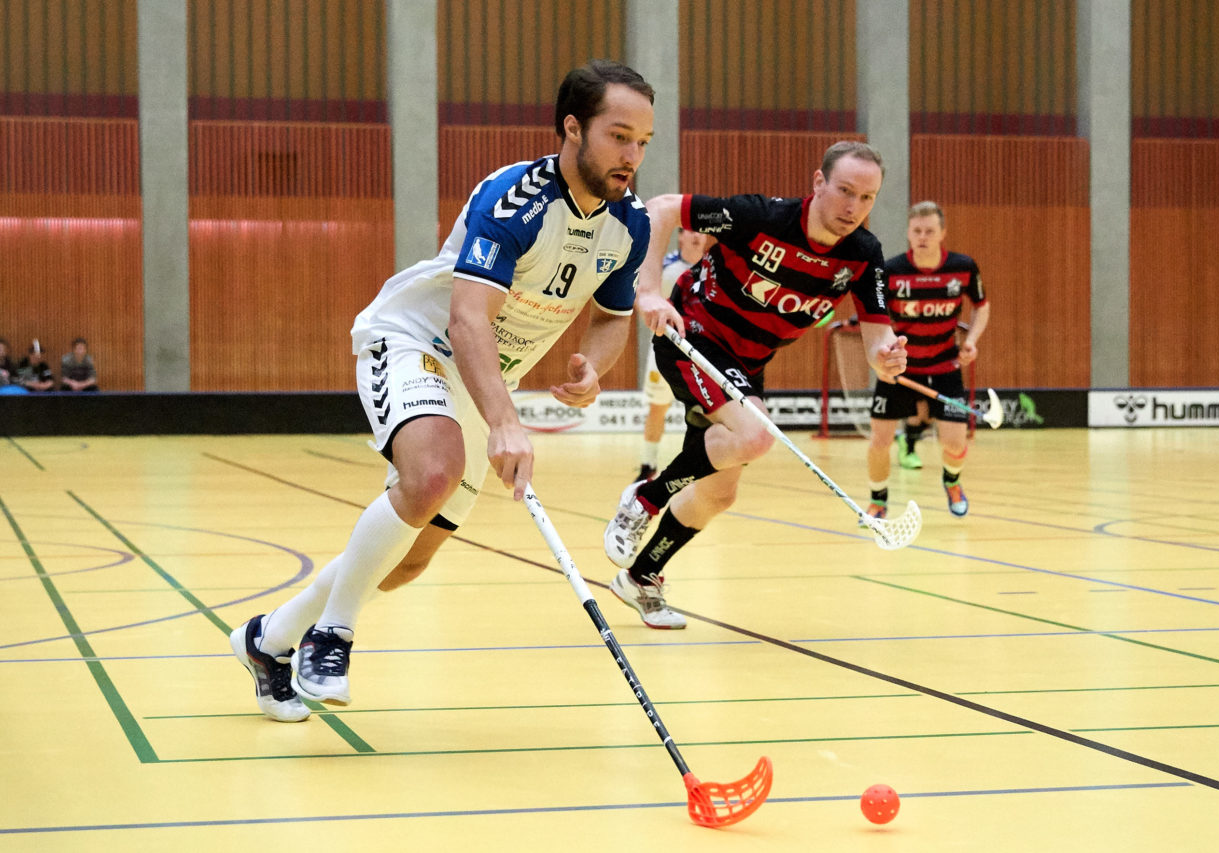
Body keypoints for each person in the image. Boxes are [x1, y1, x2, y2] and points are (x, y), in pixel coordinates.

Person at [230, 59, 655, 722]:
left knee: (404, 562)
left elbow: (611, 317)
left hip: (484, 375)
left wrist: (594, 368)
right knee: (432, 473)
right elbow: (465, 319)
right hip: (416, 339)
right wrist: (506, 421)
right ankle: (331, 635)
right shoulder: (515, 198)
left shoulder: (629, 226)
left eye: (642, 142)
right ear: (573, 128)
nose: (632, 156)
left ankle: (268, 639)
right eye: (618, 136)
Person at [603, 140, 909, 629]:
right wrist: (649, 293)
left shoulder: (863, 256)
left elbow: (877, 338)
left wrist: (887, 358)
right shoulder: (760, 217)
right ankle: (645, 498)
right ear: (818, 183)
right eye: (845, 190)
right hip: (692, 335)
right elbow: (660, 209)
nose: (853, 207)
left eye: (867, 198)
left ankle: (642, 577)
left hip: (747, 365)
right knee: (755, 435)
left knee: (720, 493)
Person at [866, 200, 989, 518]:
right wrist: (882, 358)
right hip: (899, 369)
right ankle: (878, 502)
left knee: (953, 444)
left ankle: (952, 481)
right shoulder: (891, 271)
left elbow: (981, 305)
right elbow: (875, 316)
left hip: (945, 367)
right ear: (908, 232)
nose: (923, 237)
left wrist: (971, 341)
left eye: (930, 231)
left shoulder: (962, 268)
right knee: (879, 441)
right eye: (917, 231)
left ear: (942, 233)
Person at [631, 227, 710, 483]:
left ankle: (700, 466)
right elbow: (639, 295)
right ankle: (648, 464)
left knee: (704, 412)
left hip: (702, 353)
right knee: (657, 408)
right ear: (681, 236)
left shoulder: (713, 269)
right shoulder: (666, 266)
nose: (697, 236)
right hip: (666, 349)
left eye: (702, 232)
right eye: (691, 231)